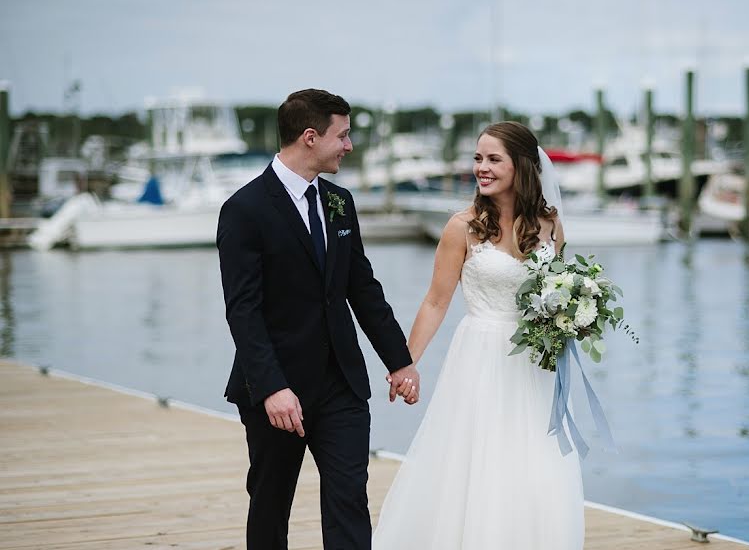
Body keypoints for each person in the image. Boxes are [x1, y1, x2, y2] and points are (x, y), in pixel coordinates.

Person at [216, 88, 420, 550]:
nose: (349, 146)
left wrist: (400, 361)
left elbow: (362, 289)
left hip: (341, 385)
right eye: (342, 136)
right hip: (275, 388)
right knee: (270, 505)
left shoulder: (339, 203)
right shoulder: (244, 210)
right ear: (310, 137)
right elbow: (242, 311)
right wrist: (271, 387)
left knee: (349, 499)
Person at [373, 121, 585, 549]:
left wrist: (573, 319)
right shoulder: (462, 227)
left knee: (533, 464)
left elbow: (559, 291)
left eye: (493, 159)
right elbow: (435, 301)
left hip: (535, 364)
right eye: (477, 158)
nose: (481, 168)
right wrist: (405, 363)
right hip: (481, 359)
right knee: (478, 460)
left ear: (521, 165)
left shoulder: (550, 224)